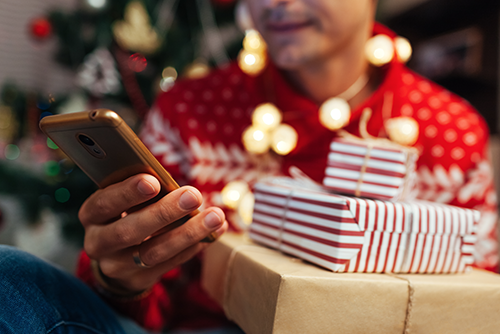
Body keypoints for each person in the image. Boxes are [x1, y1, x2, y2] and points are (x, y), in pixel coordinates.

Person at [0, 0, 498, 333]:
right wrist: (120, 278)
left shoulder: (447, 130)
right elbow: (139, 305)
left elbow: (478, 306)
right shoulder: (191, 109)